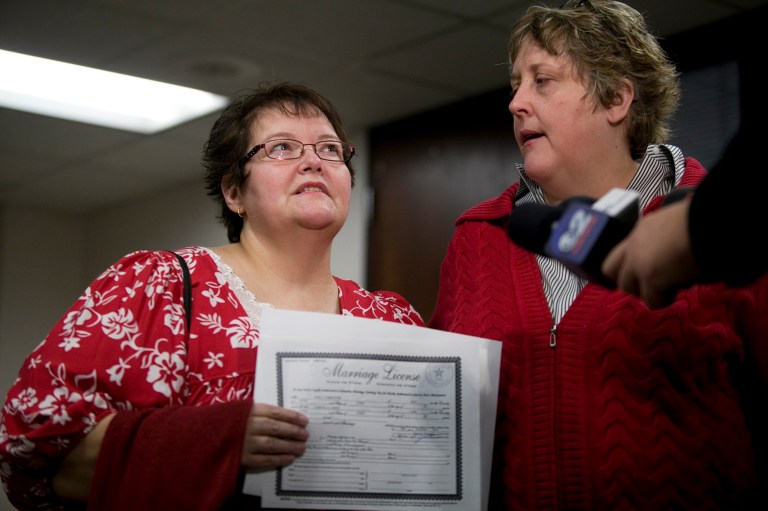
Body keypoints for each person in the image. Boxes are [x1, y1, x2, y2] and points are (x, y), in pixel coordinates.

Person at [0, 82, 424, 510]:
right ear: (234, 193)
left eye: (330, 149)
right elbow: (40, 459)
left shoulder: (392, 320)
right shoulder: (157, 286)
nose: (313, 161)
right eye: (281, 148)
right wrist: (214, 442)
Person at [429, 1, 768, 509]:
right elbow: (442, 416)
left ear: (616, 98)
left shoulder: (734, 225)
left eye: (542, 81)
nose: (516, 102)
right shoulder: (476, 237)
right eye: (515, 85)